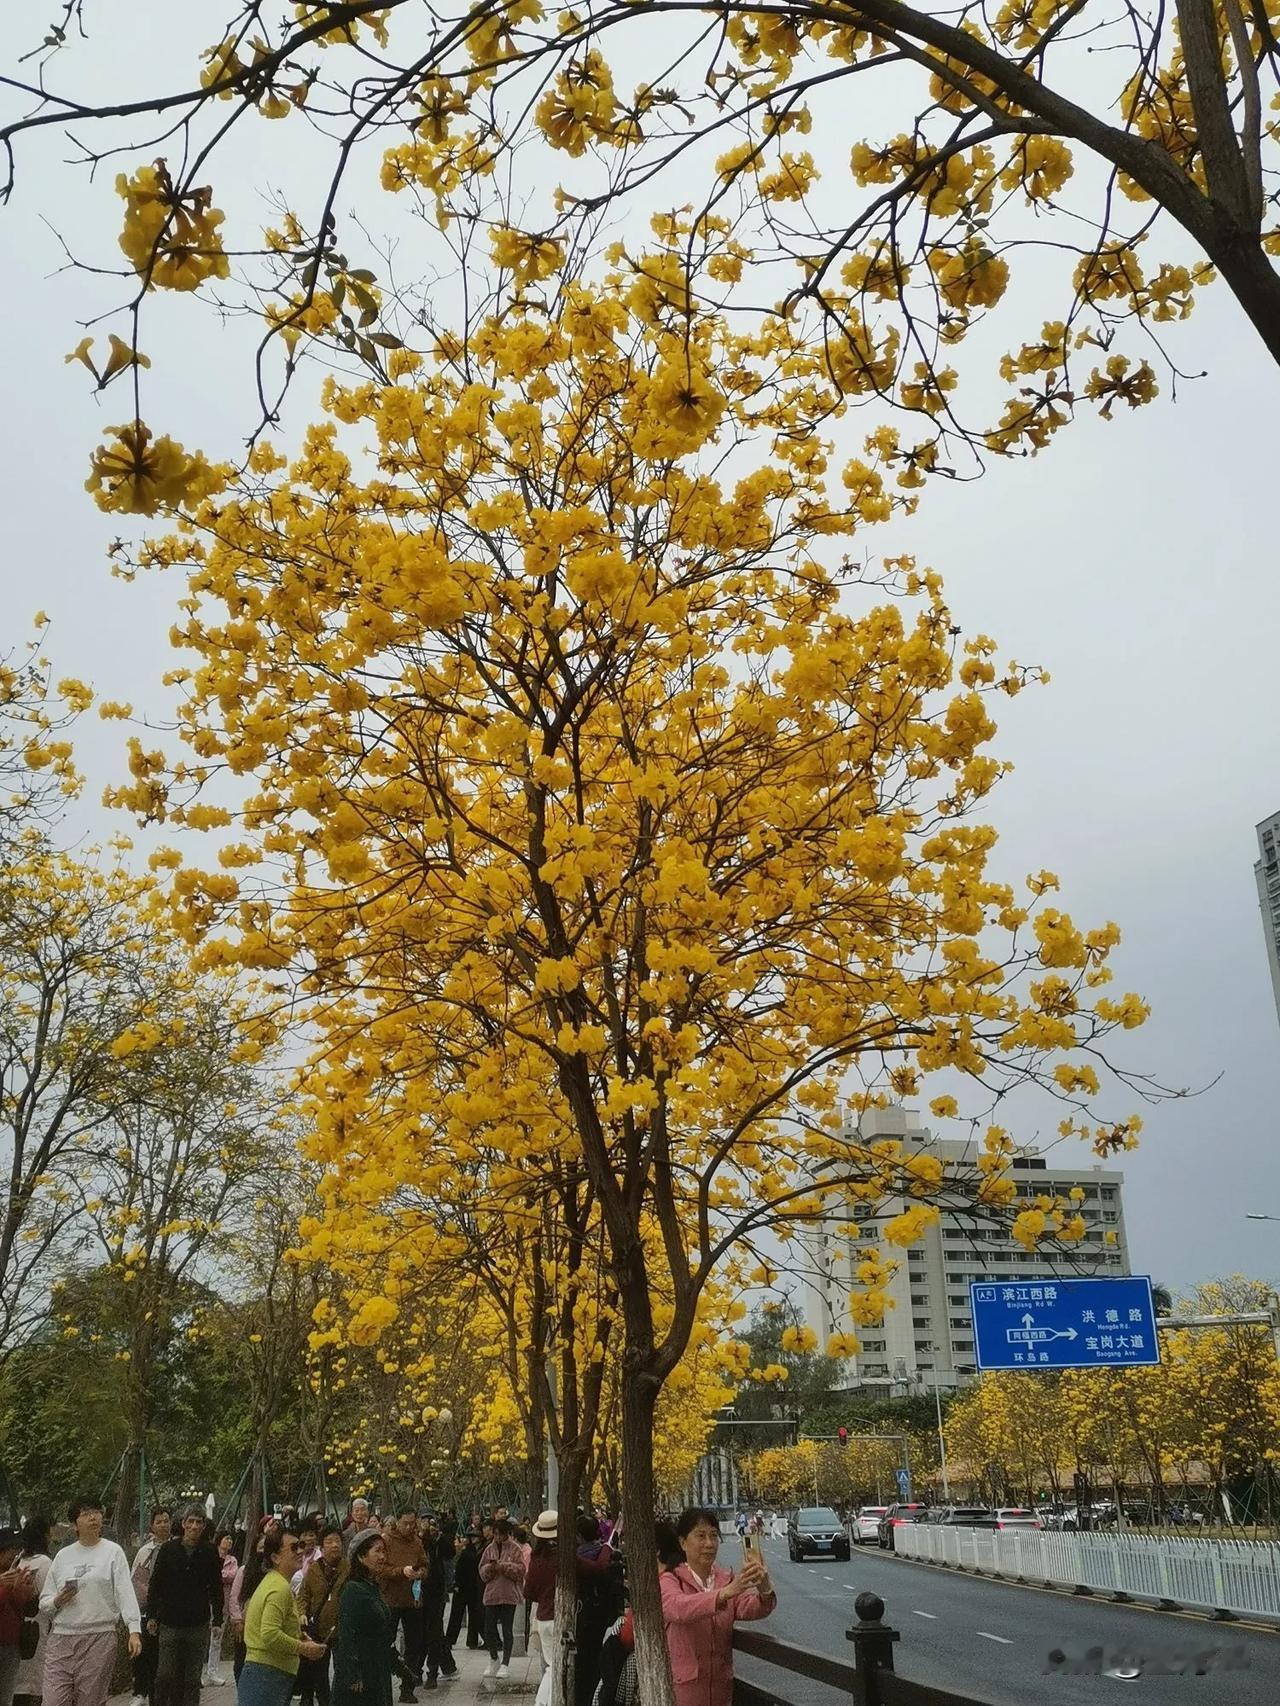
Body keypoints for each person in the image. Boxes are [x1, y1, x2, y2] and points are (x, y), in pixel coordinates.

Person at [660, 1507, 775, 1706]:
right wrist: (724, 1593)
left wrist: (763, 1586)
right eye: (701, 1536)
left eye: (714, 1536)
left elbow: (751, 1608)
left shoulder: (725, 1578)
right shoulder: (671, 1580)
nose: (709, 1543)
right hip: (684, 1691)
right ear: (683, 1542)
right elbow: (678, 1608)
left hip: (721, 1689)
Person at [39, 1496, 142, 1706]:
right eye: (85, 1514)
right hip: (62, 1636)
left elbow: (125, 1591)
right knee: (53, 1701)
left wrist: (134, 1629)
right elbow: (45, 1601)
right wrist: (58, 1600)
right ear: (75, 1524)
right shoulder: (63, 1556)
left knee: (90, 1701)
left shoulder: (113, 1552)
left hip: (99, 1636)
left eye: (96, 1512)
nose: (93, 1517)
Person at [239, 1530, 325, 1706]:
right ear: (275, 1557)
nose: (300, 1551)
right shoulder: (279, 1588)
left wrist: (299, 1635)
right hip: (266, 1675)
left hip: (267, 1673)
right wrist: (303, 1648)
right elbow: (269, 1634)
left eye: (301, 1546)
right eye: (294, 1548)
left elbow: (276, 1626)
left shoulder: (276, 1582)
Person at [148, 1505, 223, 1706]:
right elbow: (156, 1584)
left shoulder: (209, 1552)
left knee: (192, 1679)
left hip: (197, 1623)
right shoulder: (168, 1550)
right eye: (190, 1521)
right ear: (183, 1524)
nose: (194, 1526)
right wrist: (152, 1615)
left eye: (199, 1522)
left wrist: (218, 1620)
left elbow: (216, 1587)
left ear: (204, 1525)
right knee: (164, 1675)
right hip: (170, 1622)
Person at [330, 1533, 393, 1706]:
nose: (382, 1557)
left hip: (377, 1667)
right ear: (361, 1556)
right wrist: (353, 1673)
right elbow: (346, 1633)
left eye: (384, 1551)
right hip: (361, 1673)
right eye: (377, 1551)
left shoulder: (372, 1587)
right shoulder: (353, 1589)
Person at [378, 1511, 427, 1703]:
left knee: (414, 1644)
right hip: (391, 1600)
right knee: (386, 1643)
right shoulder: (386, 1541)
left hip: (412, 1600)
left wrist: (421, 1572)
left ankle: (408, 1687)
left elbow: (424, 1564)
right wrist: (401, 1571)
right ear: (397, 1522)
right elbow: (380, 1569)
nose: (409, 1527)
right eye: (405, 1523)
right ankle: (384, 1684)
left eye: (412, 1524)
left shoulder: (416, 1542)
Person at [297, 1529, 348, 1706]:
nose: (334, 1545)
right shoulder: (313, 1570)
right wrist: (302, 1613)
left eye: (337, 1541)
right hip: (318, 1629)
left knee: (343, 1670)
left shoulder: (348, 1569)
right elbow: (303, 1595)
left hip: (342, 1628)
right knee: (320, 1673)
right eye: (329, 1542)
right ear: (322, 1546)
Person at [131, 1507, 174, 1706]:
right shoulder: (144, 1551)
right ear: (152, 1526)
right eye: (159, 1521)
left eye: (166, 1520)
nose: (163, 1524)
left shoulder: (177, 1548)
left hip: (171, 1611)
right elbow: (134, 1579)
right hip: (147, 1611)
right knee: (149, 1655)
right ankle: (144, 1692)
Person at [12, 1515, 53, 1706]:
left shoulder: (18, 1561)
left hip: (19, 1628)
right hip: (39, 1628)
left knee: (18, 1681)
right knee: (36, 1682)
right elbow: (49, 1597)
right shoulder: (45, 1563)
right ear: (44, 1535)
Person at [478, 1521, 524, 1680]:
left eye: (500, 1534)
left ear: (507, 1534)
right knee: (488, 1629)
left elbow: (520, 1571)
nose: (497, 1537)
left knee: (507, 1630)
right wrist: (490, 1568)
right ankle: (493, 1658)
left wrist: (503, 1567)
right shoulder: (489, 1549)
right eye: (495, 1533)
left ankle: (505, 1663)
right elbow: (482, 1572)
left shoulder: (515, 1549)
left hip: (509, 1595)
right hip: (491, 1595)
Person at [229, 1530, 270, 1684]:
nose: (264, 1552)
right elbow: (234, 1597)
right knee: (242, 1661)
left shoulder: (274, 1573)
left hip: (266, 1626)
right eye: (261, 1547)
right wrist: (238, 1621)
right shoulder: (243, 1571)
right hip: (245, 1625)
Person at [0, 1526, 34, 1706]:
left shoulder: (17, 1572)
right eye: (12, 1549)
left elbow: (21, 1607)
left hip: (11, 1645)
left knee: (6, 1698)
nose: (15, 1555)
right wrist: (3, 1585)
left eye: (18, 1550)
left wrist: (23, 1587)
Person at [207, 1533, 239, 1690]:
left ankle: (212, 1672)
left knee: (216, 1639)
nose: (229, 1540)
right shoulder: (210, 1556)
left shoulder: (232, 1561)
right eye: (227, 1538)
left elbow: (232, 1576)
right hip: (206, 1603)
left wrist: (219, 1574)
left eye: (230, 1538)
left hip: (223, 1604)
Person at [443, 1532, 482, 1653]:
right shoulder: (468, 1553)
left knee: (463, 1615)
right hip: (465, 1588)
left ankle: (454, 1640)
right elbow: (459, 1570)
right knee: (460, 1615)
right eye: (472, 1537)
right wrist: (456, 1584)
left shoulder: (473, 1552)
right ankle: (465, 1640)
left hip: (467, 1588)